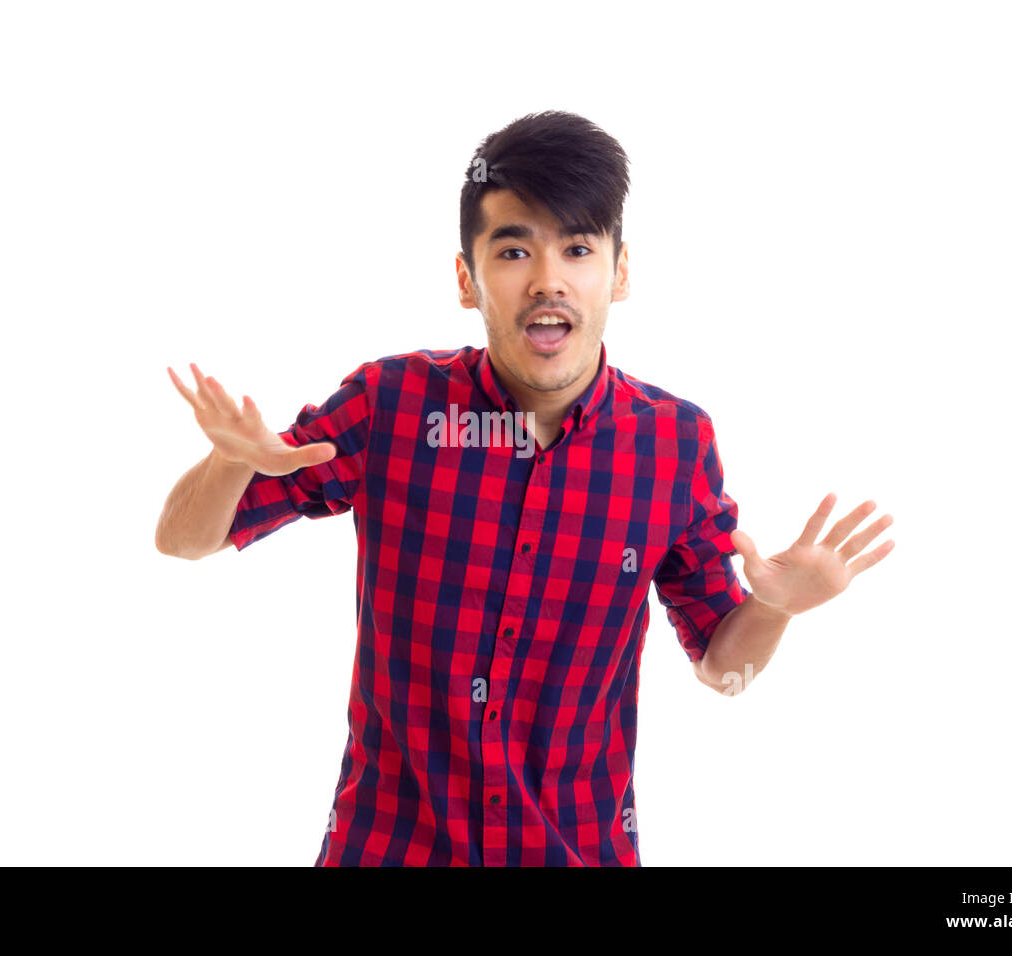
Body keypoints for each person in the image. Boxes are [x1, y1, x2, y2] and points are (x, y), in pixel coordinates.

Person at [154, 110, 895, 866]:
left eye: (578, 249)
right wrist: (230, 461)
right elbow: (182, 540)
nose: (548, 280)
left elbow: (720, 665)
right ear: (466, 279)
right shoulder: (392, 404)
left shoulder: (674, 444)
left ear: (621, 270)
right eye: (514, 250)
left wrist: (771, 608)